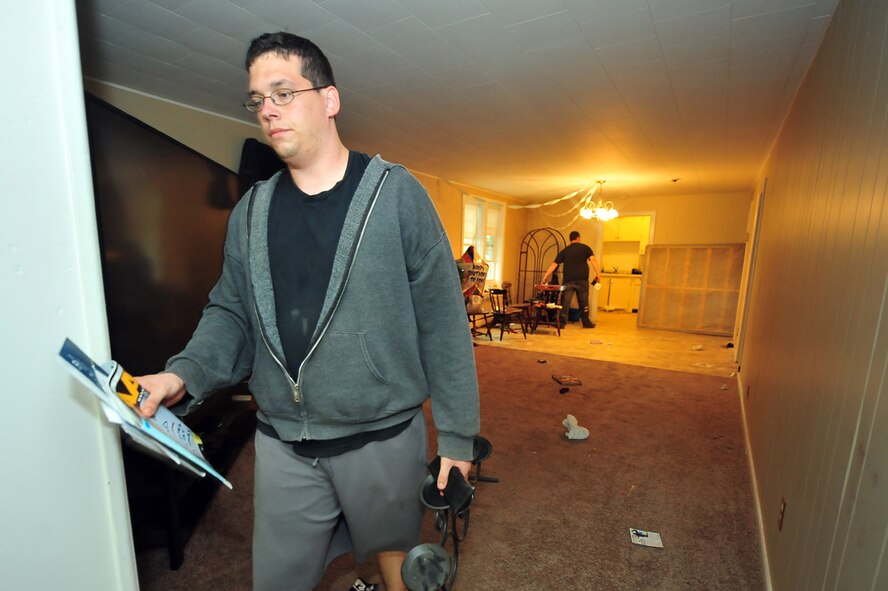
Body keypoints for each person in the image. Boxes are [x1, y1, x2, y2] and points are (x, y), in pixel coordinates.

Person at [135, 32, 480, 591]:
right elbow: (231, 312)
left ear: (330, 99)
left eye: (283, 92)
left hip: (382, 437)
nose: (267, 110)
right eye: (257, 99)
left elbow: (443, 322)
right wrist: (183, 373)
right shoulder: (251, 211)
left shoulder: (396, 196)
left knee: (403, 572)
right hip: (283, 442)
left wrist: (460, 438)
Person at [541, 231, 600, 329]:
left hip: (568, 280)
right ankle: (586, 323)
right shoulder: (585, 248)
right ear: (578, 238)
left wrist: (546, 276)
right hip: (582, 280)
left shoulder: (565, 251)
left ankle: (562, 323)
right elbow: (593, 260)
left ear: (570, 239)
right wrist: (598, 274)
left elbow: (554, 264)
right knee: (583, 302)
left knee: (565, 302)